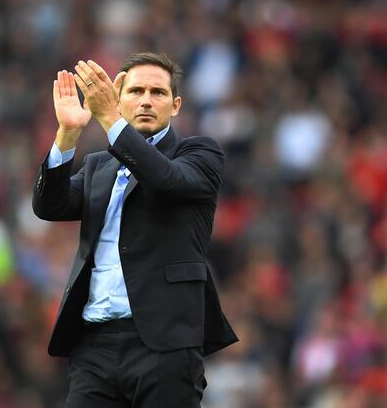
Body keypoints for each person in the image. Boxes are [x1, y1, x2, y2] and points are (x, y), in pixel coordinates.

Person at [32, 52, 238, 407]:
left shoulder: (200, 154)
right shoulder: (99, 166)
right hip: (94, 345)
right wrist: (68, 134)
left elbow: (164, 179)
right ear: (120, 97)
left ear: (175, 106)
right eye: (135, 91)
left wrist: (110, 119)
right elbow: (50, 206)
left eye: (157, 93)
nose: (145, 100)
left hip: (164, 345)